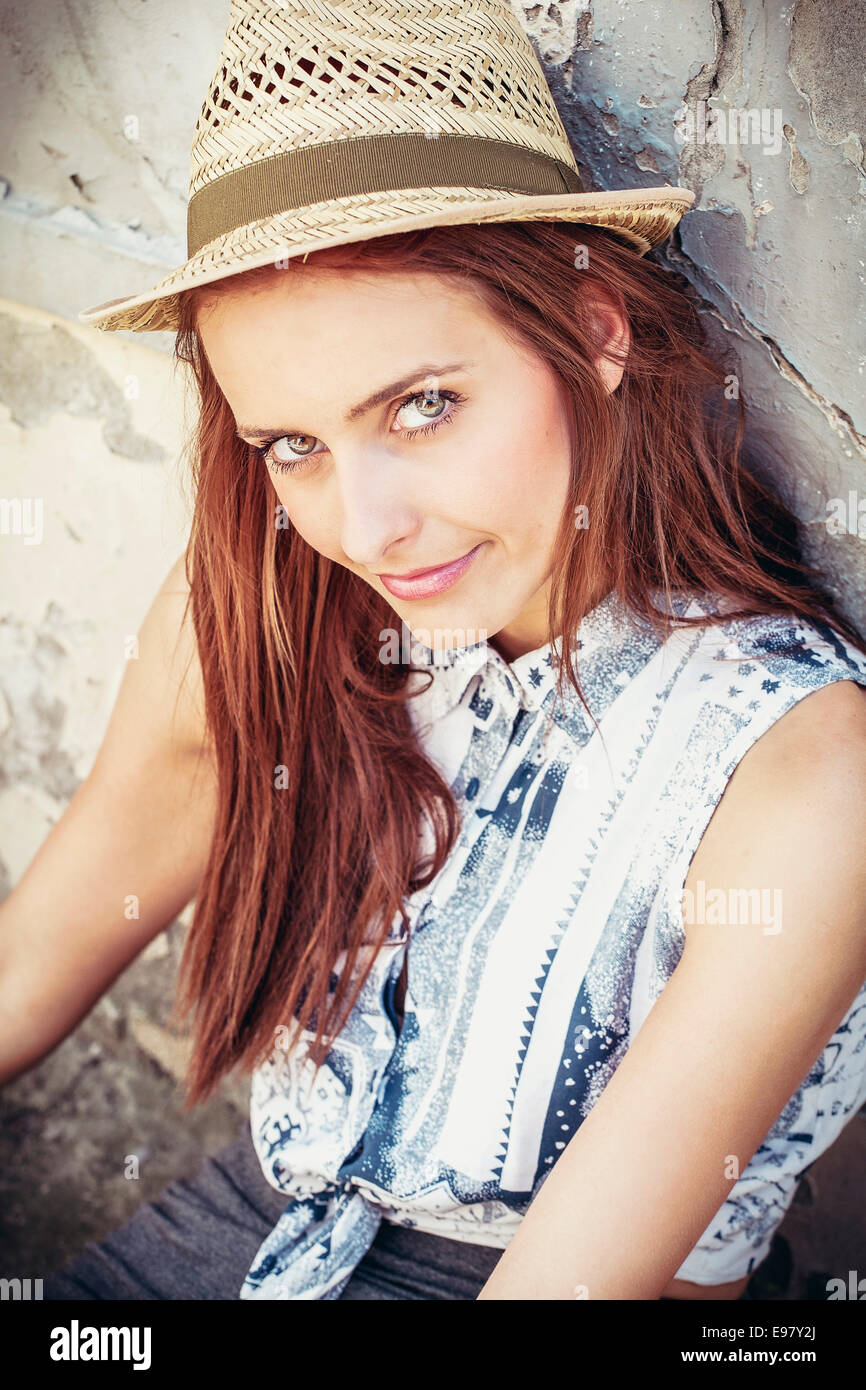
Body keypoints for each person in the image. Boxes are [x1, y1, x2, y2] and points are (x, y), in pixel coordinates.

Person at [3, 0, 866, 1302]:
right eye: (292, 443)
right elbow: (22, 973)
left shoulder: (795, 766)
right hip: (212, 1246)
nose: (364, 526)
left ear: (594, 330)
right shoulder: (263, 610)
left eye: (421, 405)